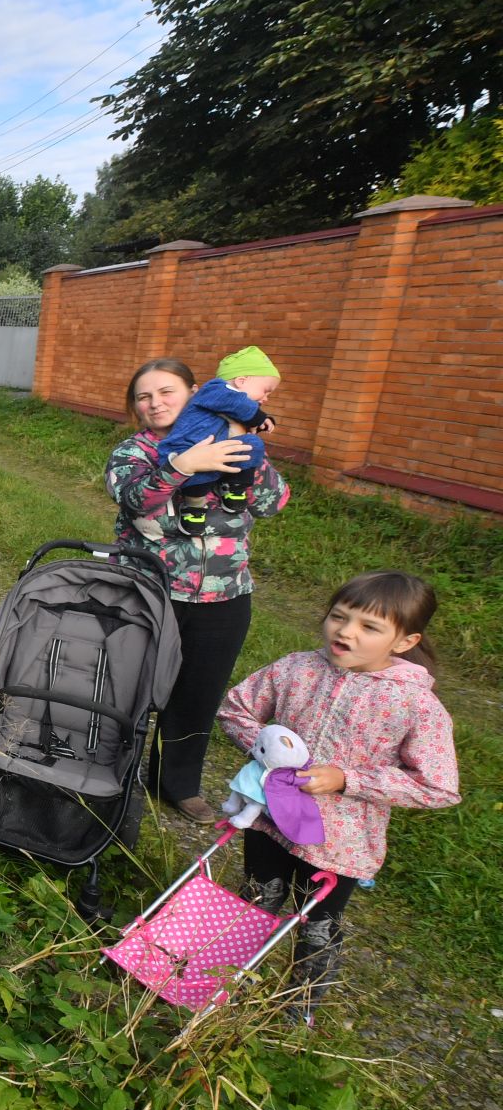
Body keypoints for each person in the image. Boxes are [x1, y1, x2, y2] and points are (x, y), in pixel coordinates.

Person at [217, 570, 460, 1024]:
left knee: (318, 926)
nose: (345, 632)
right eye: (338, 617)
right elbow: (236, 708)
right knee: (254, 900)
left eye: (369, 627)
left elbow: (438, 785)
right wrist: (268, 749)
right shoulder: (296, 668)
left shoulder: (415, 705)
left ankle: (298, 1008)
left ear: (405, 642)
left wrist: (348, 780)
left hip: (339, 842)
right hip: (270, 820)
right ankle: (222, 983)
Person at [107, 358, 290, 824]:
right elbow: (136, 500)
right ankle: (109, 771)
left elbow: (272, 503)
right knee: (126, 688)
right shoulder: (135, 451)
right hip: (147, 591)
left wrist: (247, 452)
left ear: (195, 393)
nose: (155, 403)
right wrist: (184, 464)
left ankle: (177, 784)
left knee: (197, 696)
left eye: (167, 392)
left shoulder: (235, 437)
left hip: (224, 596)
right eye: (144, 396)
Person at [154, 346, 282, 533]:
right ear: (241, 380)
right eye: (266, 391)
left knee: (253, 445)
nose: (266, 398)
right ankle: (193, 507)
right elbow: (237, 403)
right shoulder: (215, 389)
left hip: (221, 452)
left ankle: (235, 487)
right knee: (200, 478)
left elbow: (242, 411)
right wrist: (259, 418)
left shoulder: (236, 405)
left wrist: (259, 422)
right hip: (187, 449)